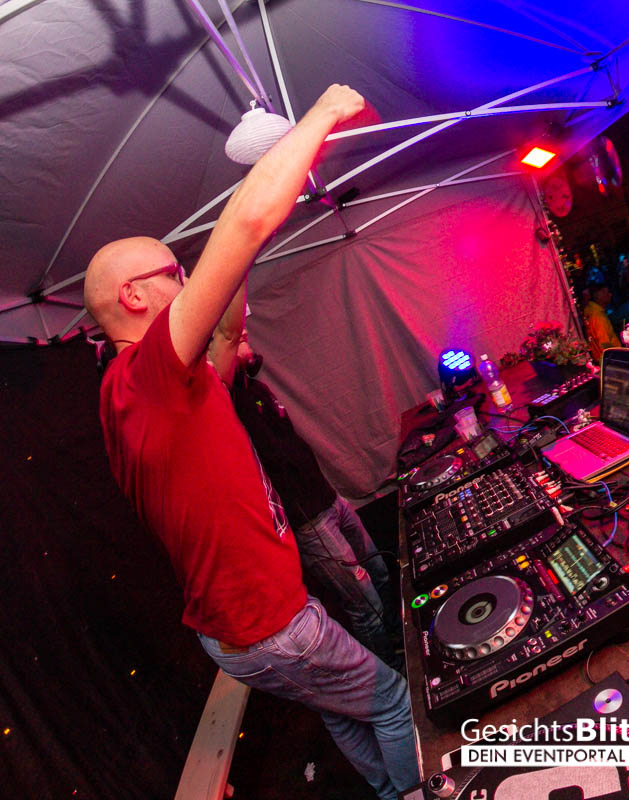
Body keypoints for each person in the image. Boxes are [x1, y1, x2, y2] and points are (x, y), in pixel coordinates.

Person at [82, 85, 419, 799]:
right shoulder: (146, 376)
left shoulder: (151, 389)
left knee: (344, 708)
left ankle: (390, 792)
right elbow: (242, 228)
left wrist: (232, 249)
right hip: (269, 626)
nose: (186, 283)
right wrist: (319, 117)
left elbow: (229, 326)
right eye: (172, 275)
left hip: (246, 630)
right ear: (134, 298)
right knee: (393, 700)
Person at [214, 332, 402, 667]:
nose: (245, 336)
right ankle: (391, 673)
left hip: (330, 501)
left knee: (381, 573)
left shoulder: (256, 389)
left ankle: (401, 642)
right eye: (237, 338)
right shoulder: (228, 403)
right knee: (365, 606)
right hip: (309, 523)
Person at [583, 282, 620, 361]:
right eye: (606, 292)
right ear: (598, 296)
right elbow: (605, 344)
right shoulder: (597, 316)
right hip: (612, 359)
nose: (610, 295)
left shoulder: (592, 311)